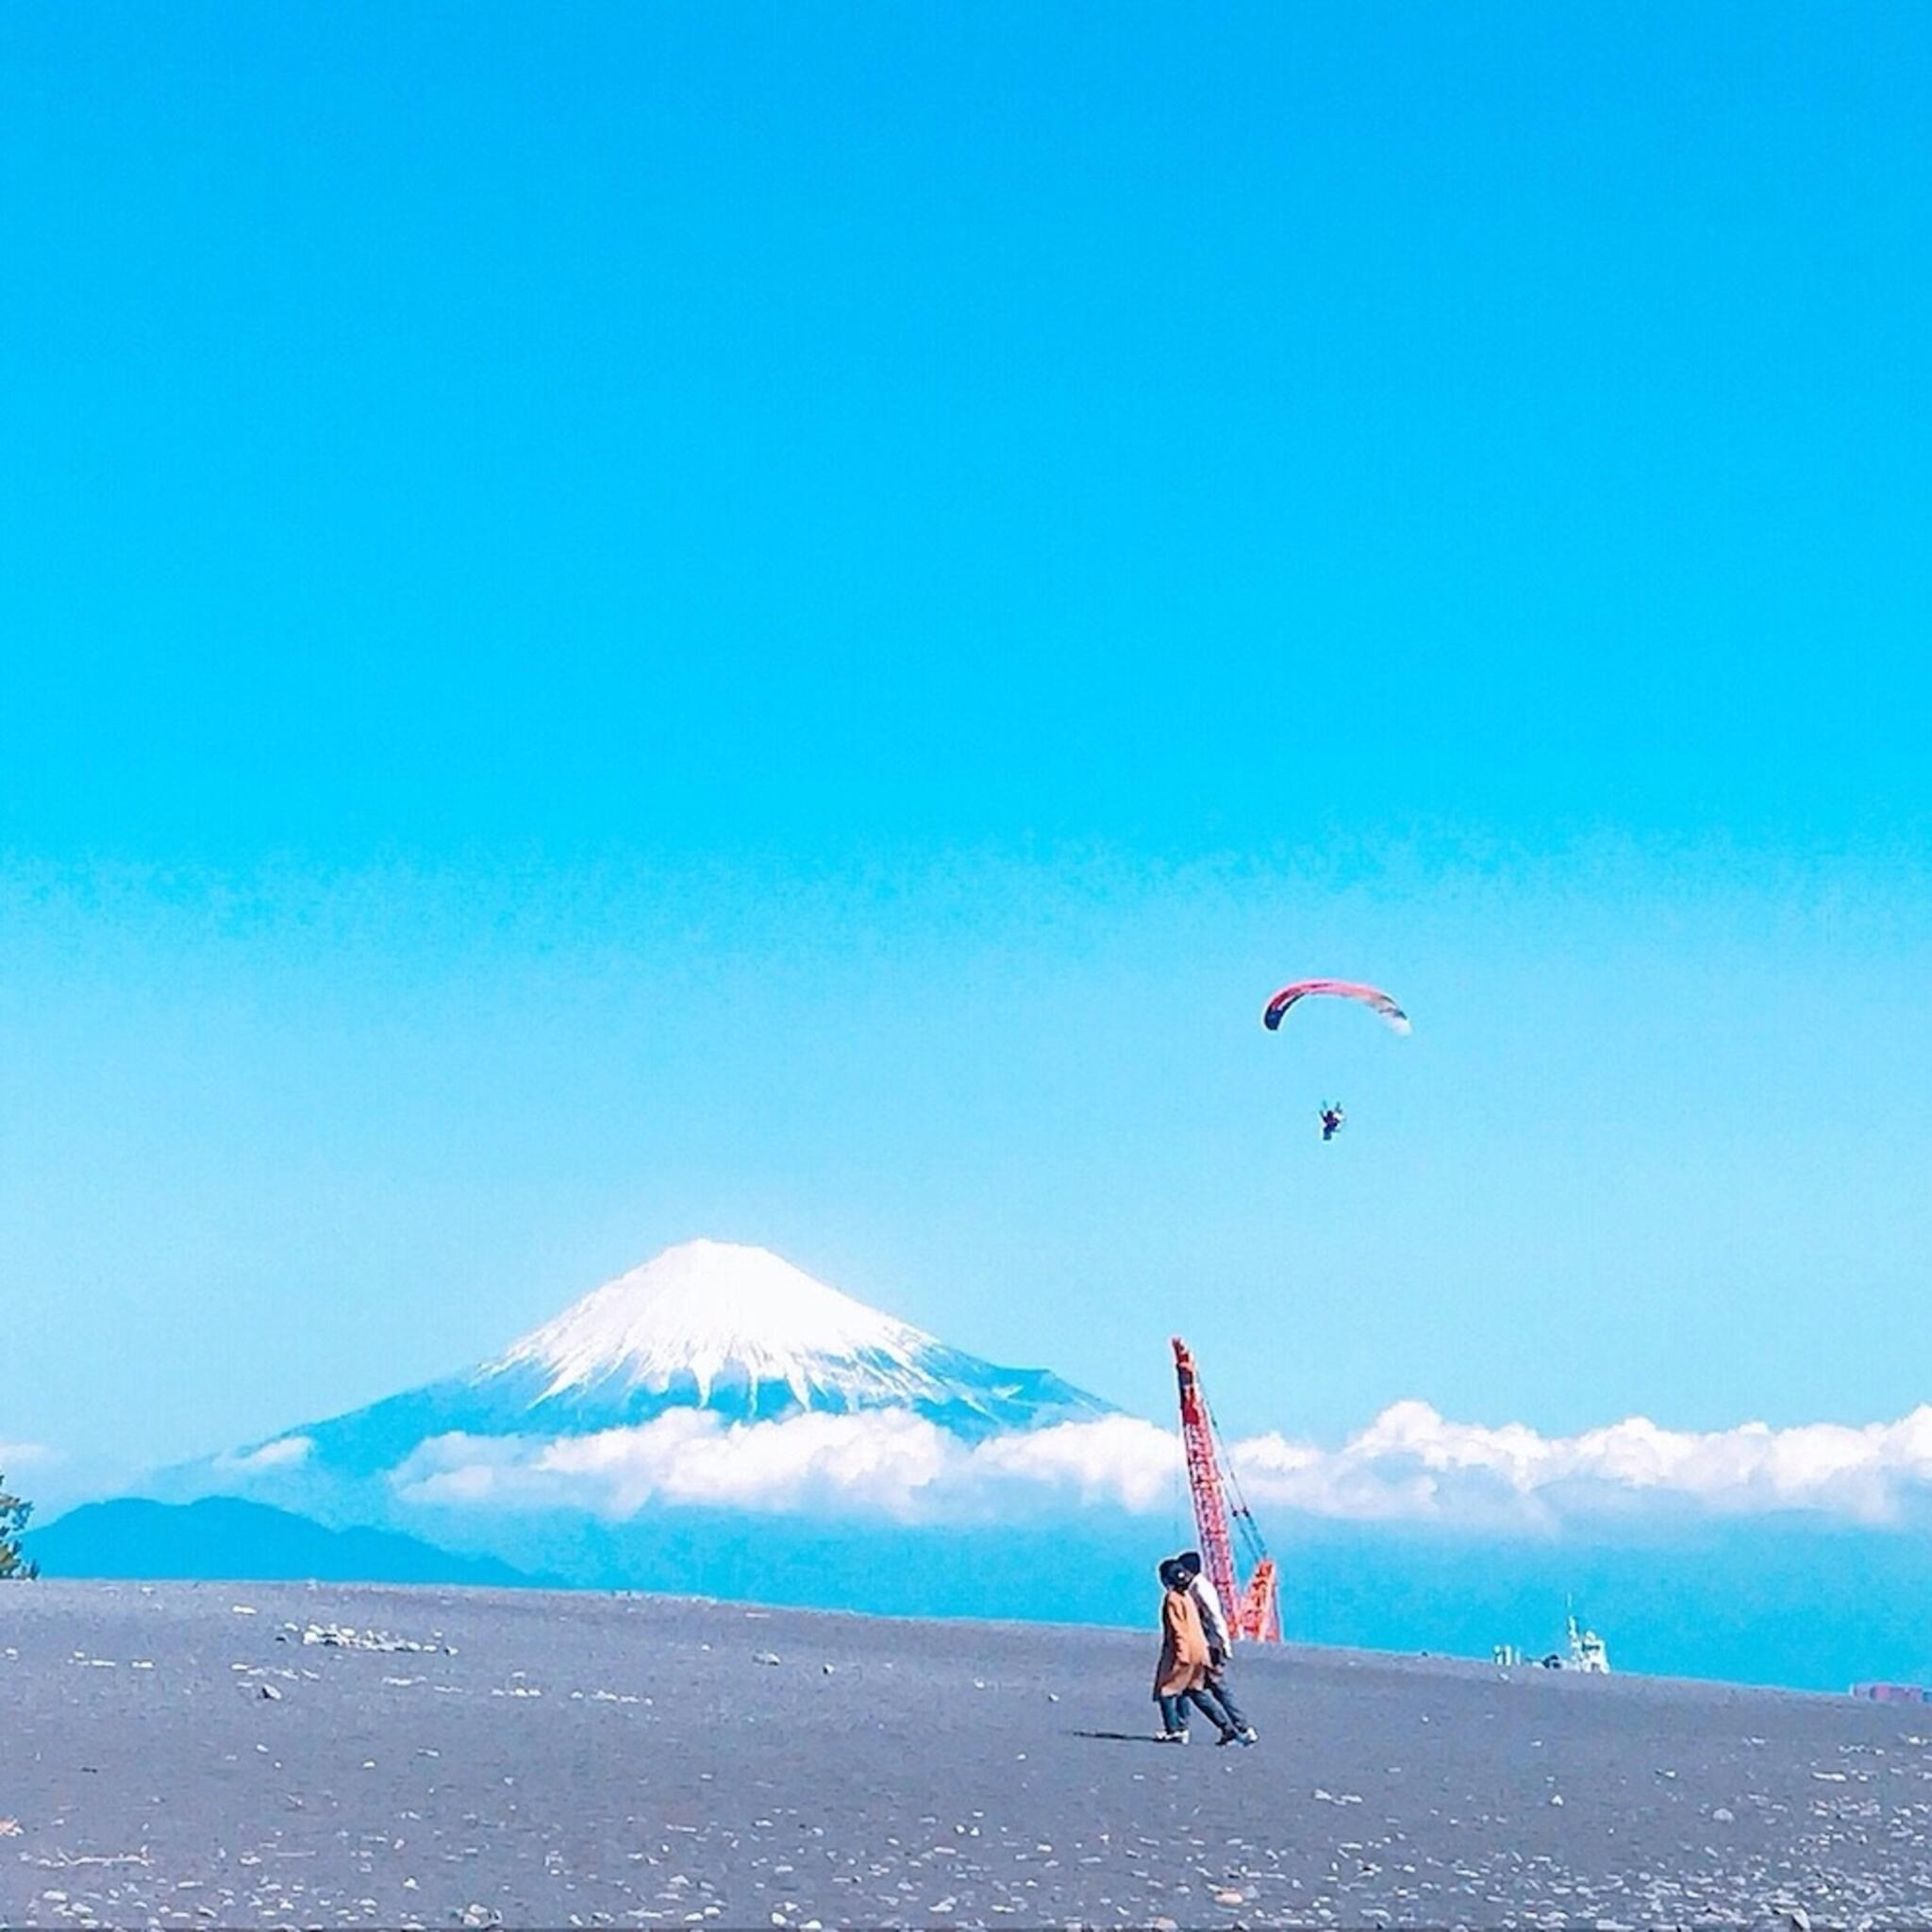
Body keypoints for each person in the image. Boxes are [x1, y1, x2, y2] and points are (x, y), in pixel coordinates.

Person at [1174, 1551, 1259, 1746]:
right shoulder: (1196, 1586)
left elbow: (1215, 1617)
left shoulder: (1199, 1589)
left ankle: (1237, 1728)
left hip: (1211, 1646)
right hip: (1208, 1645)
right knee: (1201, 1688)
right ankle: (1237, 1729)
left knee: (1204, 1689)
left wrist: (1224, 1646)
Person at [1153, 1557, 1241, 1743]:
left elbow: (1178, 1630)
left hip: (1185, 1652)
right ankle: (1226, 1727)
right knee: (1194, 1690)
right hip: (1200, 1650)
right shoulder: (1188, 1597)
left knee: (1166, 1690)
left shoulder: (1172, 1599)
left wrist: (1181, 1655)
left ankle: (1174, 1730)